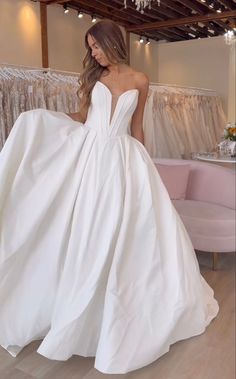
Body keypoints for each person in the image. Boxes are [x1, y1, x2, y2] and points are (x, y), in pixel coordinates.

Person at [0, 20, 218, 374]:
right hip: (90, 158)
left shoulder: (140, 81)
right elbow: (84, 117)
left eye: (96, 47)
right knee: (87, 227)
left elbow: (137, 129)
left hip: (124, 159)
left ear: (112, 43)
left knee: (127, 232)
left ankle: (121, 307)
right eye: (90, 48)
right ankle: (78, 304)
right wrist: (45, 119)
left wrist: (145, 165)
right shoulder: (92, 79)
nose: (93, 53)